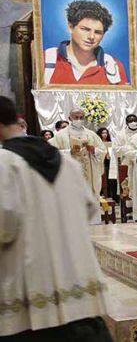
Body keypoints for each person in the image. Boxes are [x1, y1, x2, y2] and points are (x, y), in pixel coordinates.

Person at [0, 96, 111, 342]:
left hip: (31, 301)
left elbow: (4, 227)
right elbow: (89, 209)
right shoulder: (66, 162)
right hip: (79, 292)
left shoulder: (5, 165)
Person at [44, 0, 128, 85]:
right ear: (71, 27)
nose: (91, 37)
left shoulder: (114, 67)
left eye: (97, 32)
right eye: (85, 29)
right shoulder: (45, 60)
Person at [49, 107, 106, 225]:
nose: (79, 120)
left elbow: (103, 151)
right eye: (76, 117)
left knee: (90, 193)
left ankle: (93, 221)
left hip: (90, 173)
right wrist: (69, 152)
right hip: (70, 174)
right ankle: (73, 222)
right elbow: (50, 152)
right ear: (70, 118)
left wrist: (94, 150)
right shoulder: (60, 135)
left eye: (81, 117)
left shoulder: (91, 135)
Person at [97, 127, 119, 202]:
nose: (105, 134)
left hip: (109, 162)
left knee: (110, 178)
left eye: (106, 133)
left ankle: (110, 195)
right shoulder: (98, 142)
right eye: (103, 133)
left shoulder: (110, 142)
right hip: (100, 162)